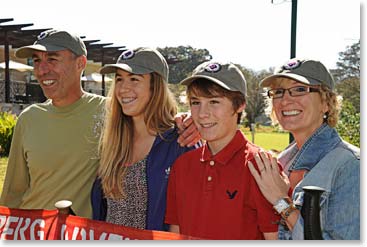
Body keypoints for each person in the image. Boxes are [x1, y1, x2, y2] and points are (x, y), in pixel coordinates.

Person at [0, 30, 199, 219]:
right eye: (36, 61)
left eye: (52, 59)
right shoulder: (29, 119)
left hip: (86, 236)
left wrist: (192, 120)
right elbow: (13, 192)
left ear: (81, 63)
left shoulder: (111, 112)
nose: (42, 70)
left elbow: (153, 115)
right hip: (34, 235)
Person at [165, 61, 280, 239]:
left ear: (240, 104)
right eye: (196, 102)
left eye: (214, 102)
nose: (202, 113)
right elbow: (176, 234)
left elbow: (275, 238)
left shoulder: (261, 166)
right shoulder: (182, 166)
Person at [248, 58, 360, 240]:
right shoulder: (279, 163)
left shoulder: (351, 166)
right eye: (278, 92)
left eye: (300, 90)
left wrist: (281, 202)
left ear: (326, 102)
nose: (285, 100)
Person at [91, 47, 199, 231]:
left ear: (155, 86)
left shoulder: (181, 141)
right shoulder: (113, 141)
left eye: (134, 79)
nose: (123, 88)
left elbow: (194, 216)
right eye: (119, 79)